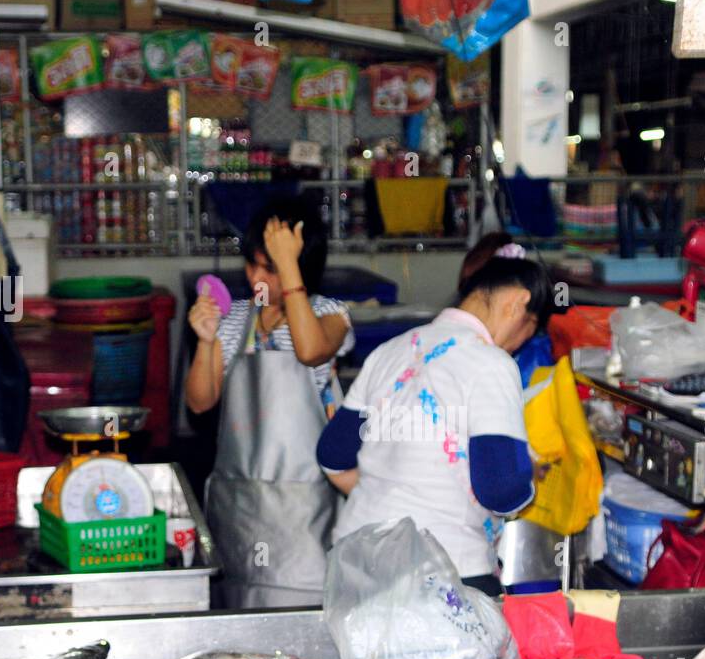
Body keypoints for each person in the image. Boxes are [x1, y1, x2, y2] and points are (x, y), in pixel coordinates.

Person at [315, 255, 561, 596]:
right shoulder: (491, 362)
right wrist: (528, 473)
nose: (519, 344)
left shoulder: (390, 351)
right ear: (519, 302)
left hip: (355, 564)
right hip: (443, 574)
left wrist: (391, 489)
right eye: (530, 327)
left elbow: (333, 454)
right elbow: (501, 489)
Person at [186, 196, 354, 607]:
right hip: (244, 505)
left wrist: (290, 264)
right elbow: (200, 402)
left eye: (271, 267)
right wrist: (207, 341)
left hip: (309, 507)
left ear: (299, 267)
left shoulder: (328, 314)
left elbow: (311, 350)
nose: (257, 276)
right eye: (253, 264)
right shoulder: (234, 320)